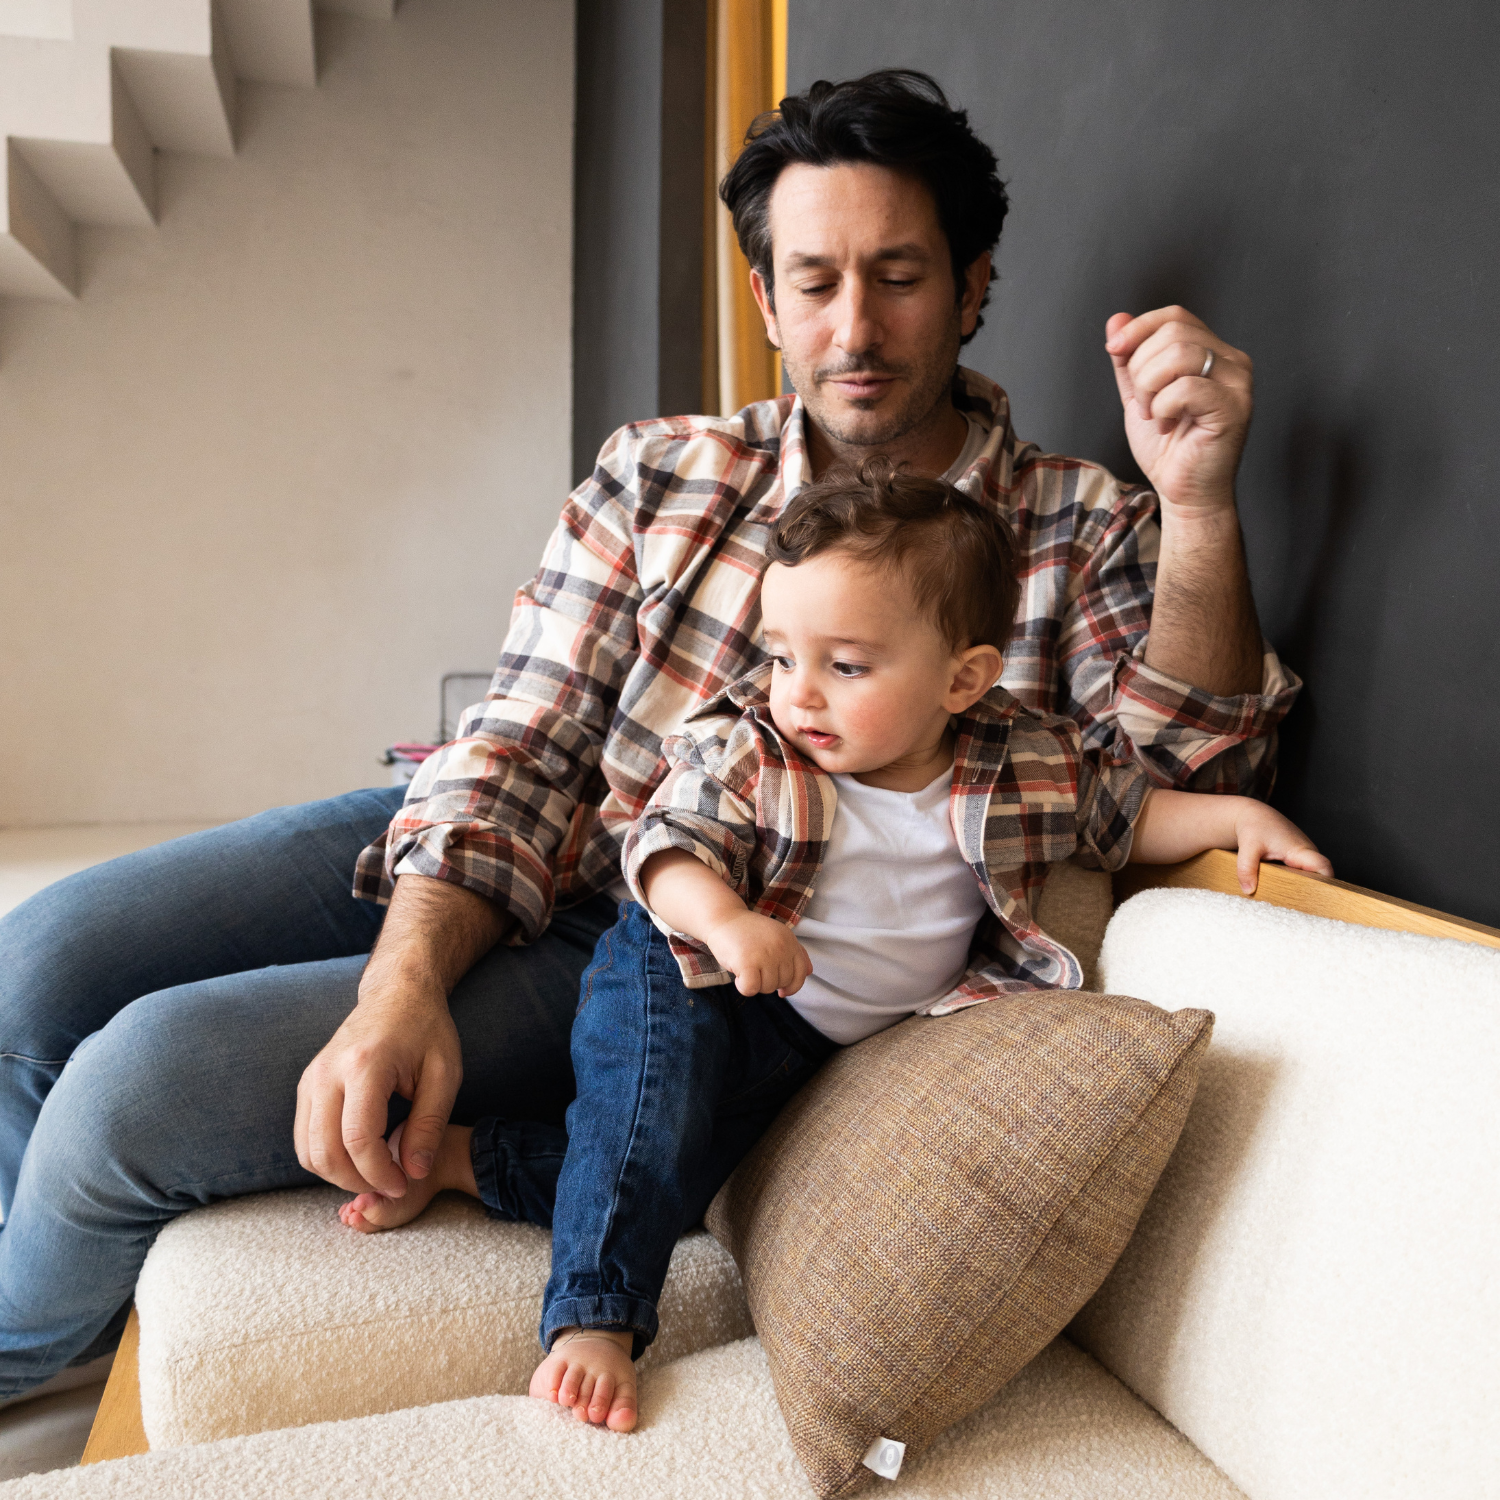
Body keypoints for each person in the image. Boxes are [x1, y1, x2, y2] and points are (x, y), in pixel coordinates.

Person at [0, 68, 1300, 1399]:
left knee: (131, 1088)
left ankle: (14, 1353)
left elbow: (1167, 787)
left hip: (647, 942)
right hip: (519, 827)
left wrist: (1197, 505)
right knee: (36, 961)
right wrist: (404, 984)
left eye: (900, 277)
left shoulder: (1073, 524)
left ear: (972, 288)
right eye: (813, 281)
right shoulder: (665, 467)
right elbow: (523, 738)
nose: (854, 328)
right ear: (766, 300)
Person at [331, 460, 1327, 1434]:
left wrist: (1230, 815)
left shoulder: (1022, 762)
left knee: (673, 1179)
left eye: (845, 666)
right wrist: (729, 922)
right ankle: (596, 1318)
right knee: (648, 1117)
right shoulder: (750, 746)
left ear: (964, 678)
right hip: (686, 965)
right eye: (779, 656)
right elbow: (664, 851)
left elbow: (1123, 810)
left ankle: (467, 1162)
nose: (797, 693)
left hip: (801, 1039)